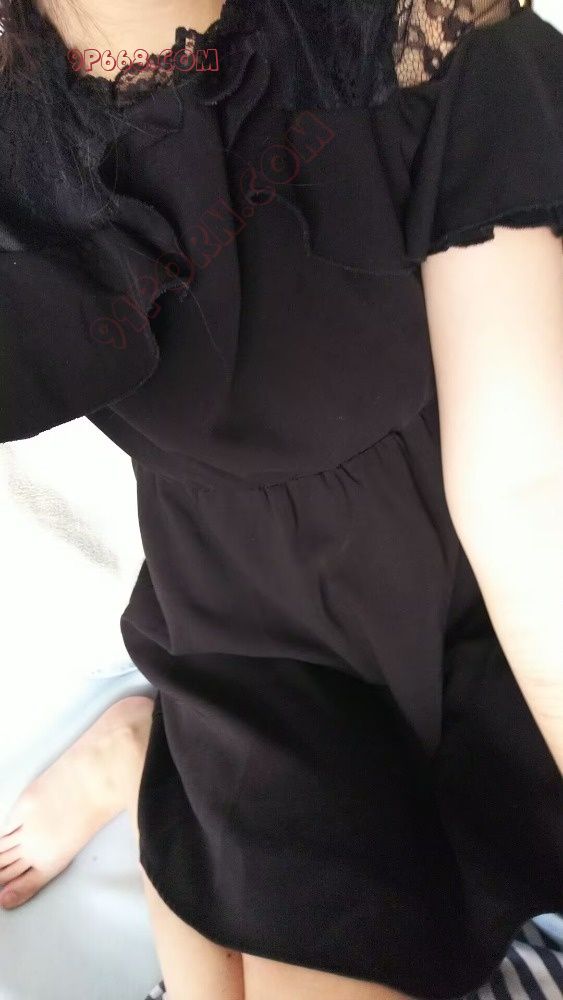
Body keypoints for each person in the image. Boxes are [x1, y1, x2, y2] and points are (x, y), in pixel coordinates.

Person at [0, 1, 562, 999]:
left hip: (466, 573)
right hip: (249, 624)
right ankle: (157, 765)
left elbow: (529, 490)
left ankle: (152, 774)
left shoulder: (417, 24)